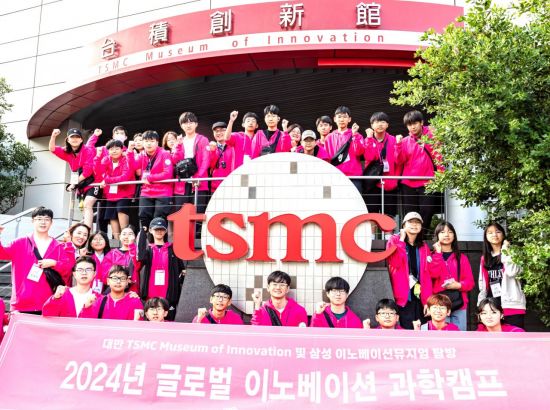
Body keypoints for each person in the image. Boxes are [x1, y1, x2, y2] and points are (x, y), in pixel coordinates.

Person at [0, 207, 72, 314]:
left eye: (47, 219)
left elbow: (68, 268)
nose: (43, 222)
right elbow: (2, 253)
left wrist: (54, 263)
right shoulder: (20, 243)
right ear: (33, 221)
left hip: (49, 303)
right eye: (39, 219)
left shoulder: (58, 246)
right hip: (21, 303)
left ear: (51, 222)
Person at [386, 211, 439, 329]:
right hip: (403, 298)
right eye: (411, 222)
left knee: (422, 332)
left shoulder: (423, 246)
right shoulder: (394, 240)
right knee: (405, 332)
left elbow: (429, 274)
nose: (414, 224)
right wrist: (401, 240)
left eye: (417, 222)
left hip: (420, 298)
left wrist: (428, 301)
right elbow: (395, 262)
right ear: (404, 225)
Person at [395, 110, 444, 233]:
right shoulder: (405, 141)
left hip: (428, 181)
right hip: (408, 183)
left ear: (421, 122)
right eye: (409, 124)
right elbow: (399, 161)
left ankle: (421, 236)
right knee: (410, 214)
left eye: (415, 123)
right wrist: (398, 145)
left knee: (427, 211)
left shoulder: (432, 137)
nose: (412, 127)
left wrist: (441, 175)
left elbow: (439, 157)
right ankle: (412, 237)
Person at [478, 222, 526, 329]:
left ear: (503, 235)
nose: (494, 235)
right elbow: (483, 284)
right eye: (490, 232)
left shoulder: (512, 253)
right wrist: (481, 304)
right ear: (486, 236)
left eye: (498, 232)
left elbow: (512, 272)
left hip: (511, 304)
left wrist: (505, 250)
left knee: (514, 335)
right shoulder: (485, 258)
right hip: (492, 306)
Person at [136, 217, 186, 320]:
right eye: (156, 229)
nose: (159, 231)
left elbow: (182, 268)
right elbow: (140, 257)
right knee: (150, 323)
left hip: (168, 295)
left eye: (162, 229)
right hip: (150, 294)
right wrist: (142, 233)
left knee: (169, 322)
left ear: (166, 231)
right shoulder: (148, 250)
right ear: (151, 230)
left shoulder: (172, 249)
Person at [49, 128, 99, 229]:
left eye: (77, 137)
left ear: (81, 140)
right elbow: (52, 149)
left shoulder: (88, 150)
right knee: (84, 208)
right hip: (80, 183)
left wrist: (73, 183)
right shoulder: (66, 151)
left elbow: (88, 171)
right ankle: (88, 233)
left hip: (94, 180)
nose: (75, 139)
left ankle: (88, 232)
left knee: (88, 204)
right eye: (72, 137)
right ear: (68, 140)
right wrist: (53, 136)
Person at [430, 221, 474, 331]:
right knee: (441, 336)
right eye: (442, 232)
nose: (446, 235)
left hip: (459, 303)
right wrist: (438, 254)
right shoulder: (431, 256)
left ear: (454, 235)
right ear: (437, 235)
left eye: (450, 232)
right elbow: (433, 274)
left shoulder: (461, 258)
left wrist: (458, 285)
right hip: (439, 305)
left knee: (459, 336)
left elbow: (470, 282)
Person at [96, 139, 136, 239]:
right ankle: (117, 244)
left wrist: (107, 180)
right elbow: (99, 172)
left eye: (117, 148)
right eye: (111, 149)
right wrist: (97, 156)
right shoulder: (106, 159)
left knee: (122, 216)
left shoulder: (126, 159)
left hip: (124, 193)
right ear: (108, 151)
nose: (114, 151)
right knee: (112, 218)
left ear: (122, 149)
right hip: (110, 195)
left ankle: (127, 243)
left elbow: (125, 177)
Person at [172, 112, 210, 215]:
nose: (188, 125)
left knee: (198, 213)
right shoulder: (179, 141)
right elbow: (175, 161)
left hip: (199, 182)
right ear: (181, 126)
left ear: (196, 124)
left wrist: (198, 177)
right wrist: (178, 146)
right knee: (181, 214)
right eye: (185, 123)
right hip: (182, 183)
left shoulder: (203, 140)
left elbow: (206, 160)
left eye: (191, 122)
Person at [363, 112, 399, 218]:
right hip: (372, 183)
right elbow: (369, 157)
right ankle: (372, 231)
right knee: (372, 215)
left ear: (387, 125)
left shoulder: (393, 140)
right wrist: (369, 139)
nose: (380, 124)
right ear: (372, 125)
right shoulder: (367, 140)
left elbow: (398, 161)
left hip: (390, 183)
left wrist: (395, 180)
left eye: (383, 122)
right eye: (377, 122)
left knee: (389, 216)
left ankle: (388, 232)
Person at [135, 130, 174, 230]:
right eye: (146, 141)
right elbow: (132, 168)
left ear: (157, 142)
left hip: (163, 192)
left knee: (159, 220)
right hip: (146, 191)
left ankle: (159, 241)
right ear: (143, 143)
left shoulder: (164, 153)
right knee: (143, 217)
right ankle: (147, 240)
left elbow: (168, 174)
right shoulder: (141, 155)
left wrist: (149, 177)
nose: (149, 144)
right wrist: (130, 153)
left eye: (152, 141)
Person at [323, 106, 365, 193]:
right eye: (339, 117)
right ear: (335, 119)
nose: (342, 119)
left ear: (349, 119)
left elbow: (360, 152)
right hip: (336, 176)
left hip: (354, 177)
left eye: (345, 117)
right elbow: (326, 158)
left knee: (355, 200)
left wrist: (355, 135)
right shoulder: (329, 137)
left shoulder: (357, 135)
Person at [207, 121, 235, 194]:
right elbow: (210, 165)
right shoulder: (210, 148)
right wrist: (212, 151)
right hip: (216, 187)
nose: (219, 133)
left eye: (222, 130)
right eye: (216, 131)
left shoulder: (234, 146)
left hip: (232, 185)